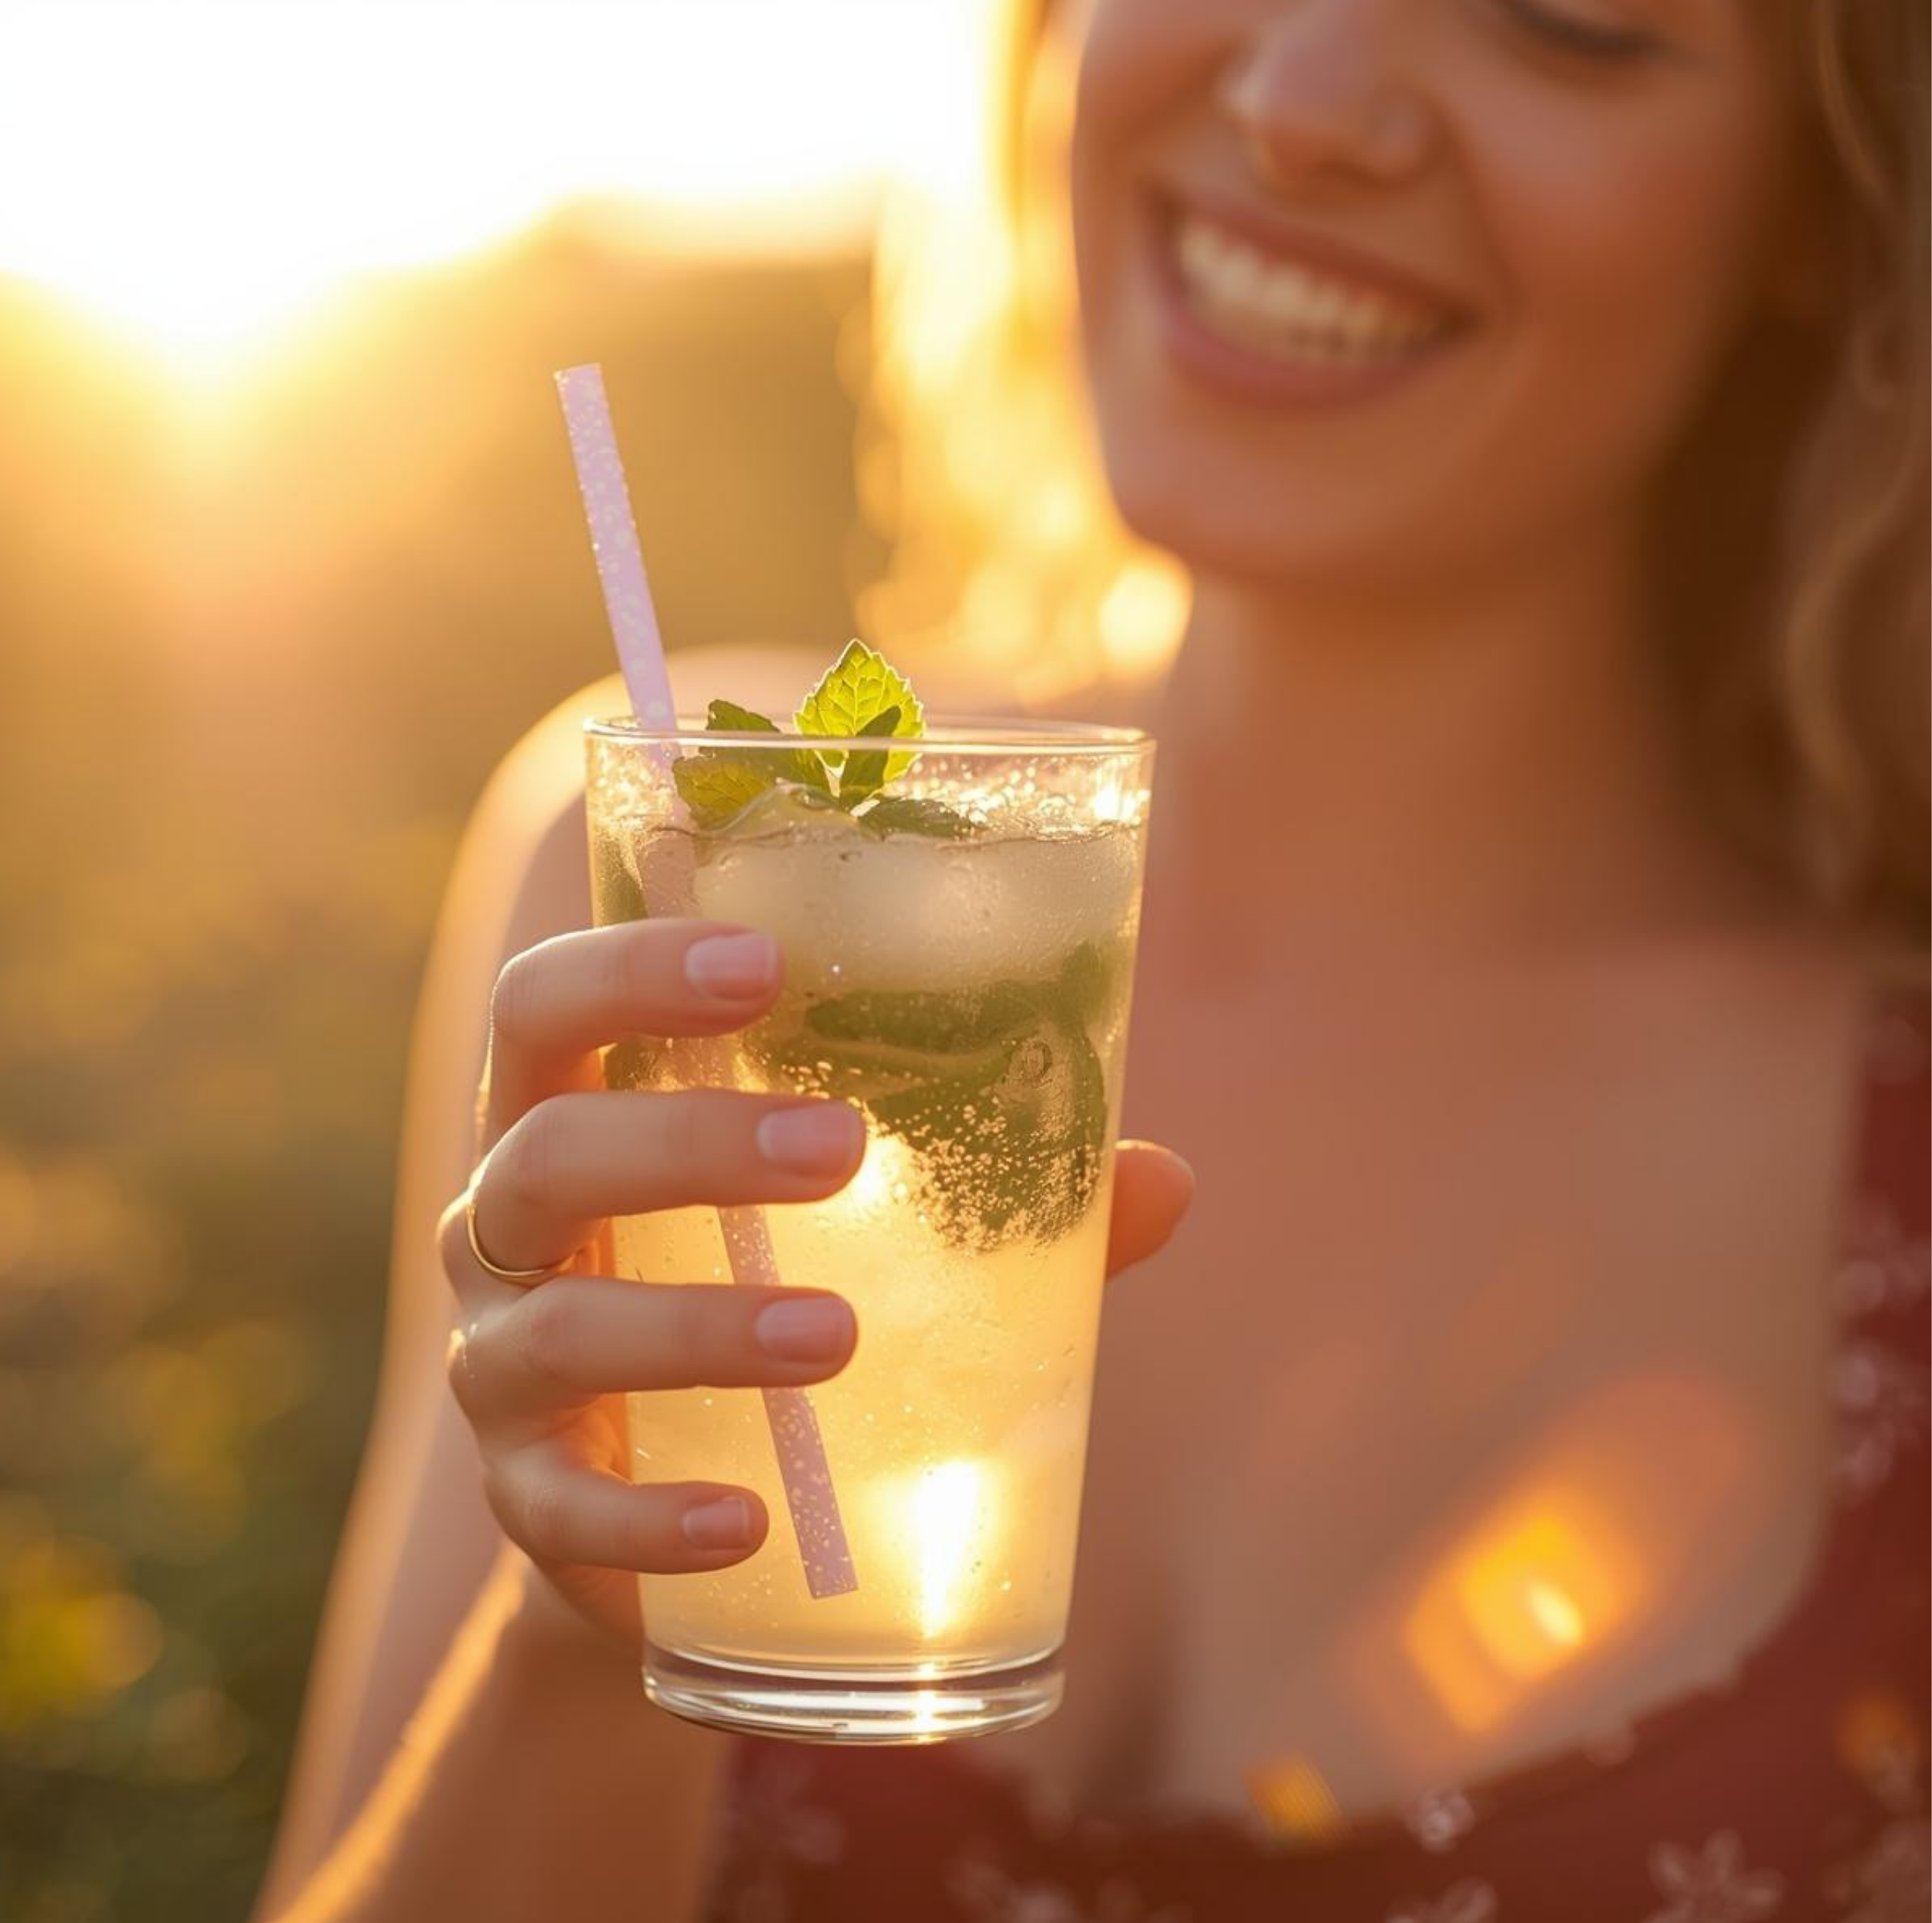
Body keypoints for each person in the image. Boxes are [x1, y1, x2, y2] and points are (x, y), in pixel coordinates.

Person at [254, 0, 1932, 1917]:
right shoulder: (698, 863)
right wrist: (583, 1647)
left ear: (1827, 191)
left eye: (1562, 22)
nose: (1299, 104)